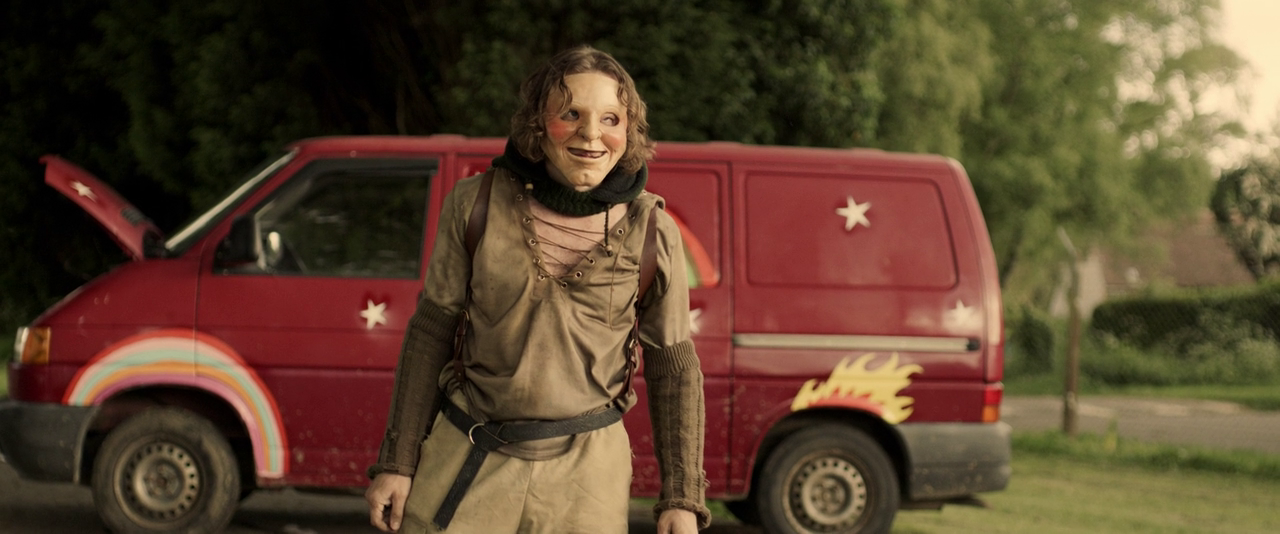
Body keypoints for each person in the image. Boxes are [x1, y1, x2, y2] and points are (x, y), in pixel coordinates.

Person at [364, 45, 709, 534]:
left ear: (628, 131)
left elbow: (673, 367)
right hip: (468, 456)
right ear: (537, 124)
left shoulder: (653, 231)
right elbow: (430, 333)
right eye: (571, 114)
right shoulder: (475, 205)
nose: (591, 134)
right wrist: (397, 463)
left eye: (610, 119)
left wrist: (683, 498)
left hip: (586, 481)